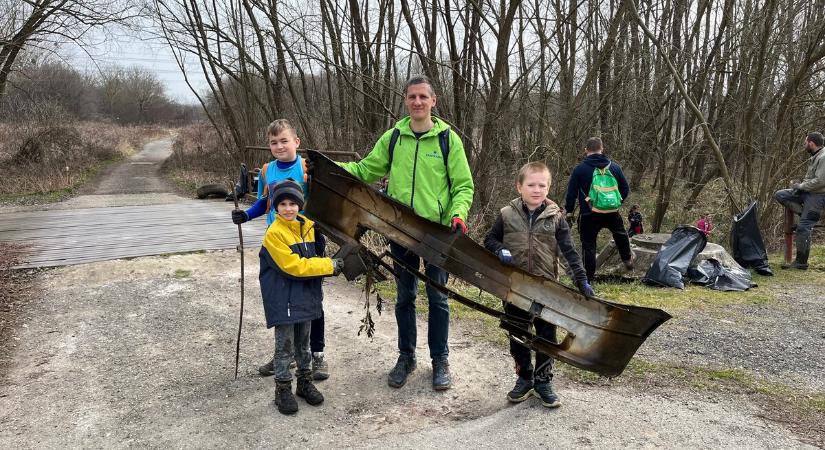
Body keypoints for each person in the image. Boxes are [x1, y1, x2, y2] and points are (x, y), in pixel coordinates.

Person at [339, 75, 474, 391]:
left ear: (433, 101)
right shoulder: (394, 137)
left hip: (437, 234)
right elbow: (364, 171)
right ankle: (406, 357)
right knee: (405, 297)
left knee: (438, 298)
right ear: (405, 100)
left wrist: (458, 214)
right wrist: (324, 167)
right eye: (412, 97)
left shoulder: (447, 140)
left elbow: (463, 185)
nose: (417, 102)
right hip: (399, 230)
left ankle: (440, 361)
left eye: (422, 97)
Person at [484, 162, 593, 408]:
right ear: (519, 186)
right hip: (515, 286)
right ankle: (524, 378)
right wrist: (499, 249)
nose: (536, 189)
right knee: (517, 333)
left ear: (549, 187)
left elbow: (569, 252)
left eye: (542, 185)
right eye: (531, 184)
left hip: (546, 288)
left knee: (547, 335)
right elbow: (489, 239)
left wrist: (581, 279)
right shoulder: (506, 214)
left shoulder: (556, 217)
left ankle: (543, 381)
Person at [231, 119, 330, 381]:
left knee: (311, 300)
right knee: (281, 301)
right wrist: (246, 216)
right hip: (277, 244)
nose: (279, 146)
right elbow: (265, 202)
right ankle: (283, 355)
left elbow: (322, 200)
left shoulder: (307, 168)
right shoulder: (267, 170)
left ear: (296, 142)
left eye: (284, 140)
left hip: (306, 239)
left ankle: (315, 354)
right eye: (274, 142)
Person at [258, 180, 345, 415]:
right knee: (284, 346)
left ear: (300, 205)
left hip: (306, 297)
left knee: (304, 345)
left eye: (293, 203)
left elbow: (316, 254)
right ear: (276, 207)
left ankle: (304, 383)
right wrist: (329, 265)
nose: (288, 208)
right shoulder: (274, 234)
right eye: (283, 204)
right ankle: (282, 389)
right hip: (284, 299)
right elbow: (293, 266)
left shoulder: (308, 227)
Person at [564, 137, 633, 282]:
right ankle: (627, 259)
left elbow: (571, 193)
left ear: (586, 151)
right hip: (612, 212)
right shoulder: (614, 167)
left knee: (589, 245)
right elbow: (625, 189)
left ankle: (588, 277)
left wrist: (569, 211)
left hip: (589, 213)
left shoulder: (579, 169)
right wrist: (616, 202)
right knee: (620, 233)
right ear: (602, 149)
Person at [774, 131, 825, 270]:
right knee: (781, 194)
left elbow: (821, 181)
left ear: (811, 143)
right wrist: (799, 188)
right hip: (807, 192)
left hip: (818, 196)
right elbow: (811, 179)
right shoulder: (815, 156)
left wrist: (801, 186)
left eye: (805, 143)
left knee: (803, 227)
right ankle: (805, 214)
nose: (804, 146)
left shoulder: (824, 157)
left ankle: (801, 263)